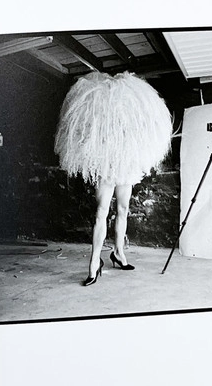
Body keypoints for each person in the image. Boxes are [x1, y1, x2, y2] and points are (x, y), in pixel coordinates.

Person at [54, 70, 173, 285]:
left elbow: (138, 135)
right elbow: (88, 136)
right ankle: (94, 263)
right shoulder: (100, 121)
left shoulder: (129, 122)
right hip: (107, 167)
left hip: (126, 166)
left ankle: (118, 253)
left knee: (123, 209)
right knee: (101, 212)